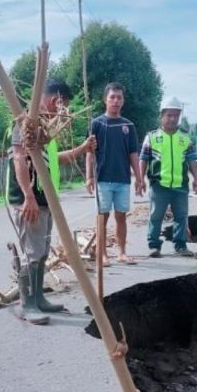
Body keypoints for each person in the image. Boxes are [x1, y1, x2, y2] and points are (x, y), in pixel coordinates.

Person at [8, 80, 96, 325]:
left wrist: (82, 149)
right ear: (53, 99)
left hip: (46, 200)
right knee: (32, 253)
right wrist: (28, 196)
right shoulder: (25, 124)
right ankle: (27, 305)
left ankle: (38, 298)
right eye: (62, 105)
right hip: (30, 201)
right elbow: (19, 158)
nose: (62, 111)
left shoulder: (45, 129)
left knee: (43, 252)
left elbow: (53, 160)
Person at [85, 82, 144, 265]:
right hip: (103, 179)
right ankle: (102, 254)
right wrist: (89, 177)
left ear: (123, 101)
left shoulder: (128, 126)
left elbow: (133, 153)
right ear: (105, 99)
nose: (116, 101)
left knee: (121, 216)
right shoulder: (96, 124)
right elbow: (89, 152)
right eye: (112, 97)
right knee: (102, 217)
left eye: (119, 97)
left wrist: (139, 178)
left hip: (123, 180)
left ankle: (121, 252)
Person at [139, 97, 197, 258]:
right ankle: (154, 246)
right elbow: (143, 158)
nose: (173, 119)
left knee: (181, 216)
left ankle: (180, 246)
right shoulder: (152, 137)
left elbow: (192, 159)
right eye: (169, 115)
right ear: (162, 116)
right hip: (159, 185)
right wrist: (140, 180)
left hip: (180, 185)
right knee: (156, 216)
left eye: (176, 115)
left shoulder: (185, 137)